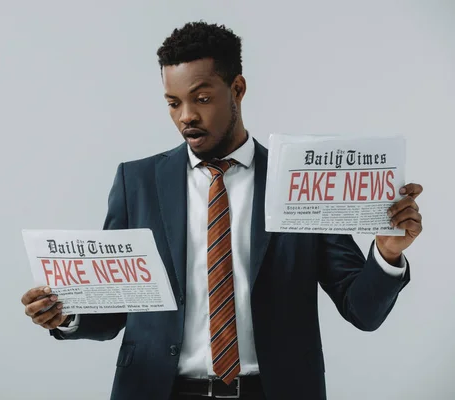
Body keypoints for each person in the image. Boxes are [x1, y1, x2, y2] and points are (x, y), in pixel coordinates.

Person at [21, 21, 423, 400]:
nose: (186, 117)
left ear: (238, 88)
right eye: (173, 103)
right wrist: (66, 315)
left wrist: (387, 253)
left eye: (201, 98)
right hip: (157, 389)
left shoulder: (299, 183)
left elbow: (362, 311)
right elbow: (112, 313)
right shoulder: (137, 182)